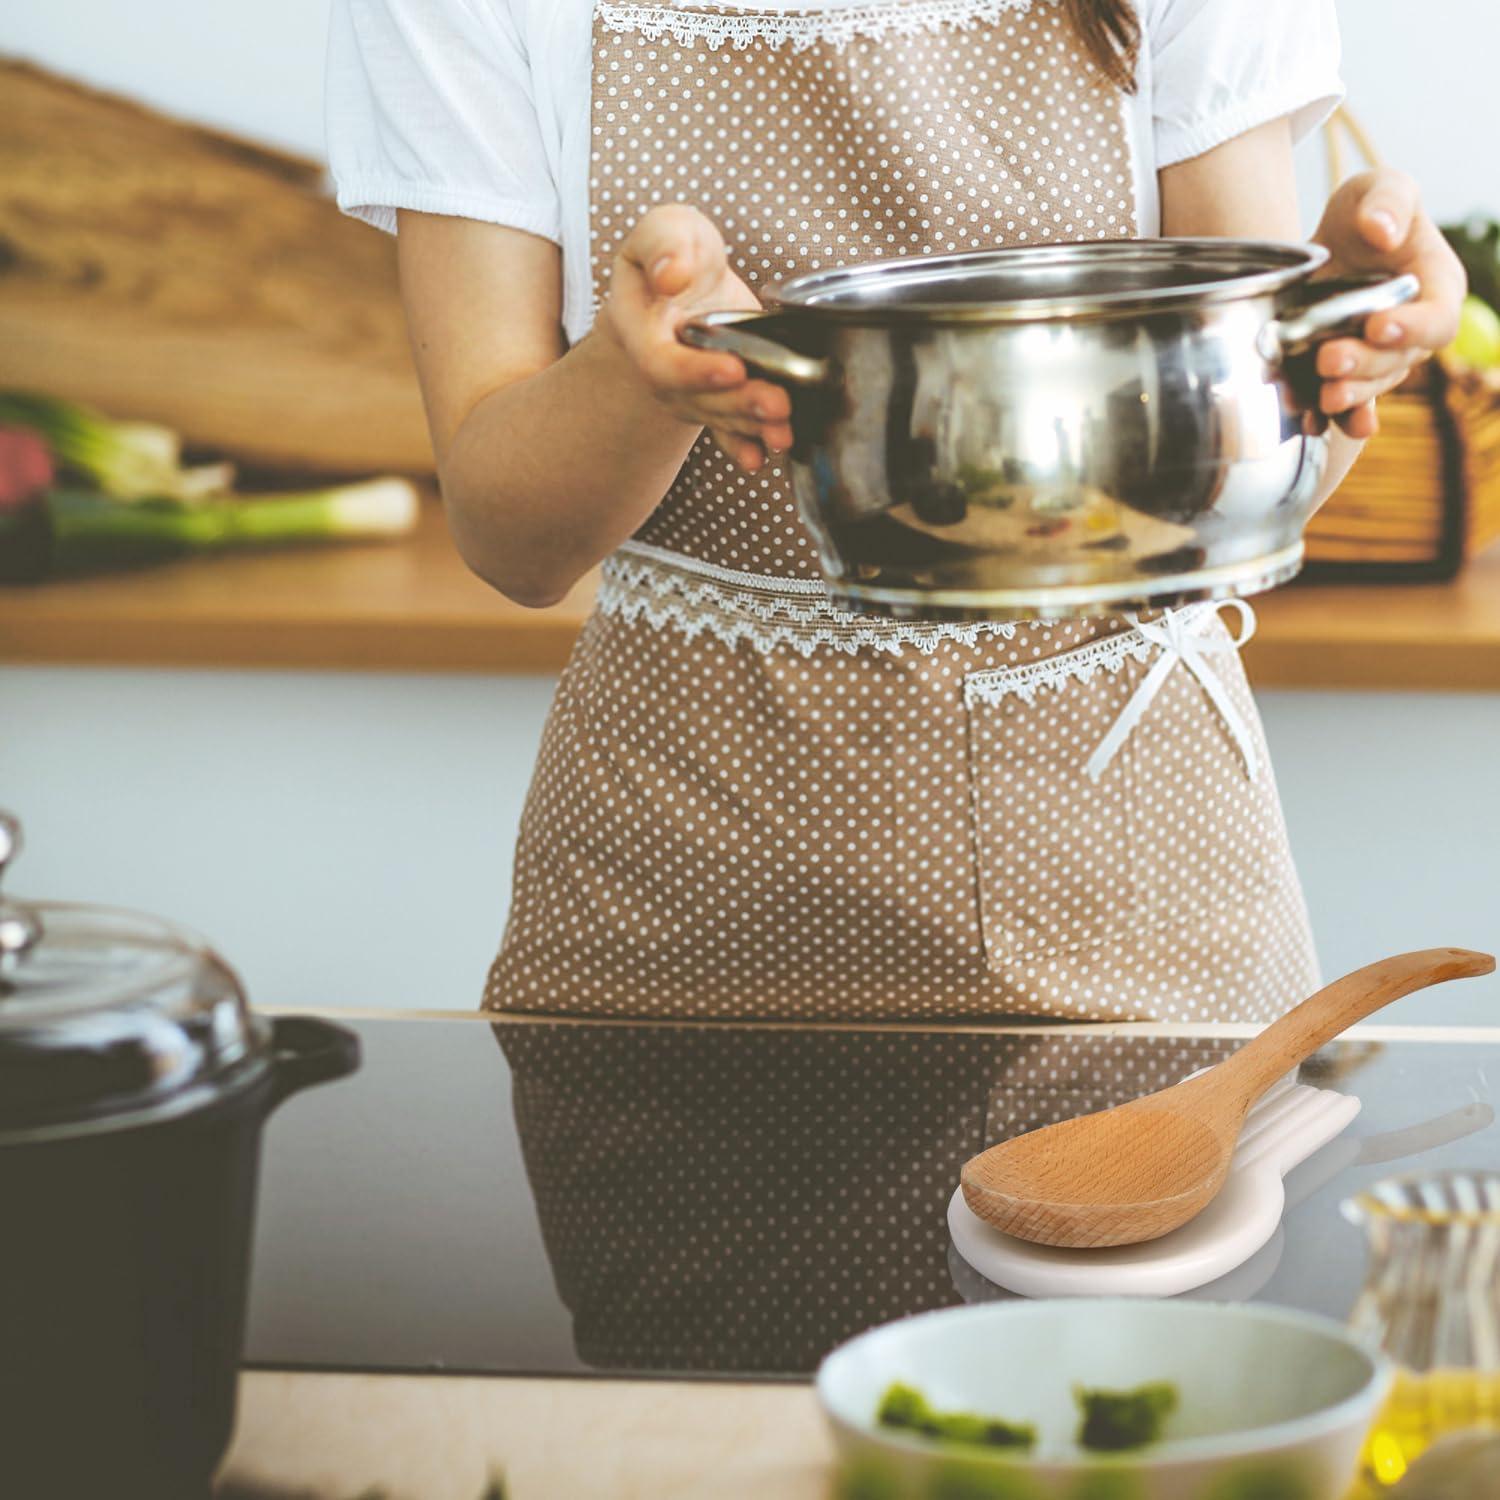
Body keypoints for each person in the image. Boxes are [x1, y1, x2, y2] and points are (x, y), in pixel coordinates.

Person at [327, 0, 1464, 1023]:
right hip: (688, 888)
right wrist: (635, 382)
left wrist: (1351, 344)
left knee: (1145, 1246)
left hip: (1133, 868)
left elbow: (1226, 467)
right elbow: (512, 542)